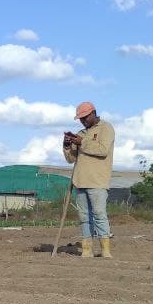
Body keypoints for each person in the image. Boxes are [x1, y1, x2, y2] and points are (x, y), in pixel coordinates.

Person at [62, 102, 116, 259]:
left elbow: (102, 150)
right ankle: (87, 250)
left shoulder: (106, 128)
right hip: (80, 181)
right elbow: (71, 159)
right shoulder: (81, 133)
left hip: (97, 181)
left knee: (99, 215)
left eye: (85, 117)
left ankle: (105, 250)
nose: (83, 121)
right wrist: (67, 146)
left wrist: (81, 142)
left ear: (93, 113)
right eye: (80, 119)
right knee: (84, 217)